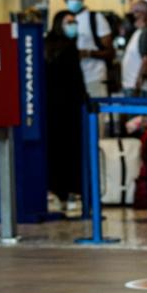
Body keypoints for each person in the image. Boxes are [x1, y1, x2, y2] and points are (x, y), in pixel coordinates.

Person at [44, 11, 88, 211]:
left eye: (75, 22)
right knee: (71, 149)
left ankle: (57, 191)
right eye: (69, 22)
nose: (74, 25)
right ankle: (71, 192)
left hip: (51, 108)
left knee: (56, 150)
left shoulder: (46, 45)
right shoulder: (69, 48)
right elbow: (76, 80)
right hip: (69, 108)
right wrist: (85, 101)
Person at [64, 0, 114, 98]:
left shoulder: (96, 18)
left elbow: (110, 52)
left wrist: (88, 53)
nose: (75, 0)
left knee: (97, 114)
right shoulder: (64, 20)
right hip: (72, 79)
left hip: (94, 76)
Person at [120, 0, 147, 98]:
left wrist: (138, 84)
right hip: (133, 86)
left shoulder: (146, 33)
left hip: (139, 89)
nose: (130, 15)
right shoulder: (138, 32)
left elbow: (146, 60)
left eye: (133, 11)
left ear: (142, 14)